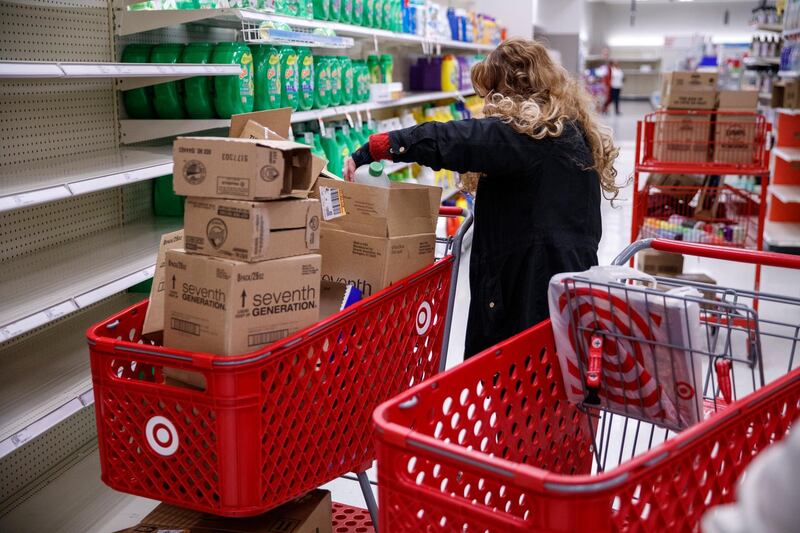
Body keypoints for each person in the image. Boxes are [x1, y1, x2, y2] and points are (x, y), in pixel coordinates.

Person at [343, 38, 620, 359]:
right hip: (565, 287)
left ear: (510, 88)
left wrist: (380, 146)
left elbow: (457, 139)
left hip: (530, 294)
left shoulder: (530, 135)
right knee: (554, 386)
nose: (488, 104)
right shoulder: (569, 131)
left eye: (491, 93)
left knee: (521, 385)